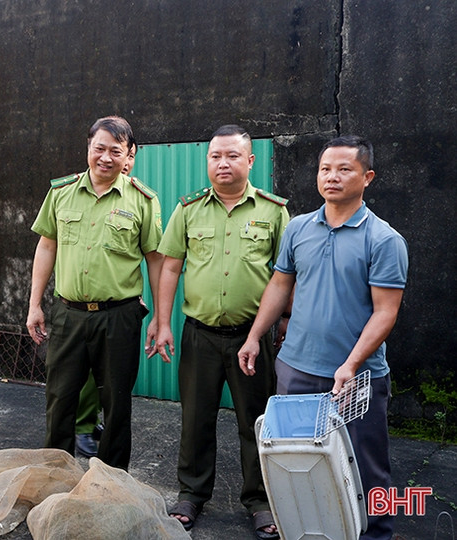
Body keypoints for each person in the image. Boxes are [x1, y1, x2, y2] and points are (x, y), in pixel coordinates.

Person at [238, 135, 408, 540]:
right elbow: (280, 286)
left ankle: (377, 533)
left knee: (367, 465)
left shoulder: (384, 240)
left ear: (367, 177)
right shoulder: (298, 228)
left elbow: (386, 312)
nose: (332, 177)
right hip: (295, 369)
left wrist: (350, 363)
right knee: (297, 462)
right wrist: (254, 336)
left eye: (344, 169)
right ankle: (308, 529)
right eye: (325, 169)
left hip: (356, 378)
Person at [155, 125, 288, 538]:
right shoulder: (189, 209)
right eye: (215, 156)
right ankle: (192, 493)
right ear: (207, 161)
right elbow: (170, 267)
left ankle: (261, 500)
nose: (222, 163)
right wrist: (162, 323)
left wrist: (283, 322)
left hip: (253, 335)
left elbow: (287, 274)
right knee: (196, 419)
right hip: (201, 334)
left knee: (256, 420)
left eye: (232, 156)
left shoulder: (273, 211)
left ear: (250, 161)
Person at [26, 118, 162, 470]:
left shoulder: (143, 200)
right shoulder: (60, 193)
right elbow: (46, 247)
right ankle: (52, 475)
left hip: (119, 316)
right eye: (98, 148)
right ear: (88, 148)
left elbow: (156, 261)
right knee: (59, 399)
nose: (105, 157)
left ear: (128, 154)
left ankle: (113, 482)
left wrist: (161, 319)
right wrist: (34, 304)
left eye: (115, 151)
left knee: (116, 404)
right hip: (68, 313)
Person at [74, 140, 138, 458]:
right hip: (79, 310)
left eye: (126, 156)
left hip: (118, 309)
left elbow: (148, 257)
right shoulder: (68, 192)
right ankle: (82, 427)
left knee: (113, 382)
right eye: (106, 151)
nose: (120, 162)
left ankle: (97, 428)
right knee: (83, 376)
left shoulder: (139, 199)